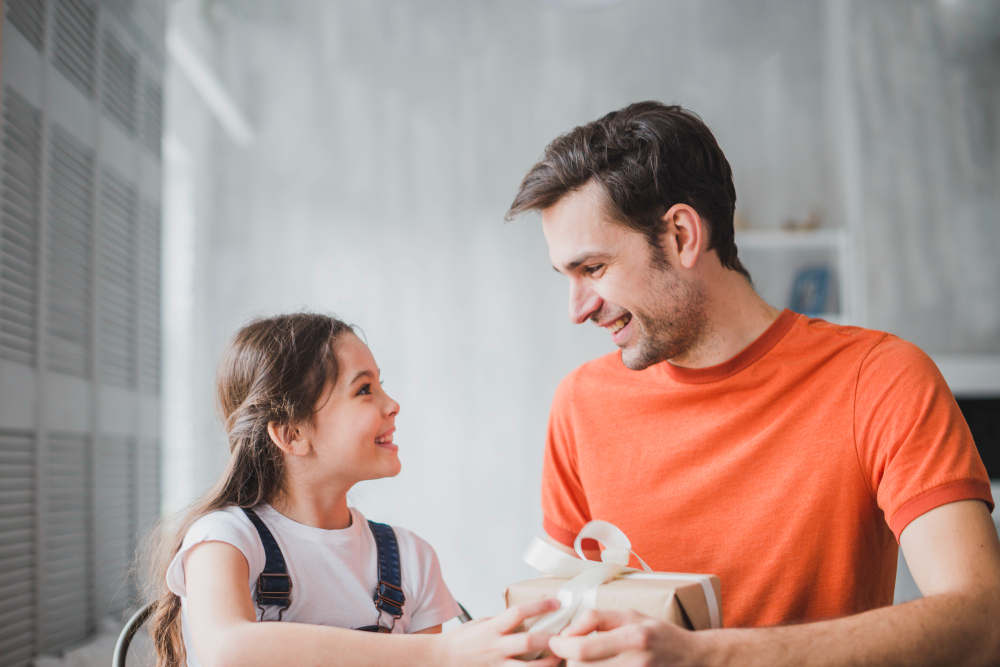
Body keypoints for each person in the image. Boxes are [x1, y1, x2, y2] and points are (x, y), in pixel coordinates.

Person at [505, 101, 1000, 666]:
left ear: (682, 235)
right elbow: (570, 616)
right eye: (565, 276)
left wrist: (708, 656)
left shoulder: (880, 379)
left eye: (593, 269)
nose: (577, 309)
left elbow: (982, 622)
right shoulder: (579, 405)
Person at [149, 313, 559, 667]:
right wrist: (441, 653)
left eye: (381, 385)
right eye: (364, 389)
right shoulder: (225, 539)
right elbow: (228, 649)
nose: (392, 404)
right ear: (292, 434)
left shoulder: (411, 558)